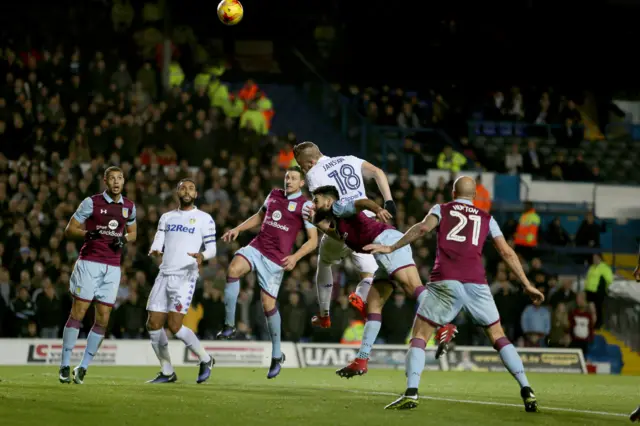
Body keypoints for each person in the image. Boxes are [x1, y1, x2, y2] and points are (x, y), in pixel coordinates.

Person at [365, 176, 544, 412]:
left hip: (445, 281)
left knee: (420, 335)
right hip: (477, 284)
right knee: (499, 336)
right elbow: (507, 252)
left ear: (453, 192)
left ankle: (412, 392)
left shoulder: (441, 209)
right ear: (474, 196)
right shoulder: (487, 218)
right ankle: (527, 389)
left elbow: (422, 228)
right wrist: (527, 283)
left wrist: (392, 246)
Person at [307, 185, 456, 378]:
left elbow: (361, 203)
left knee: (413, 288)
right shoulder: (340, 222)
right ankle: (361, 360)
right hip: (381, 251)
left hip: (387, 242)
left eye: (316, 201)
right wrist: (315, 222)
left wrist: (378, 209)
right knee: (373, 304)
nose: (313, 204)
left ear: (328, 201)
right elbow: (338, 236)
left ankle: (445, 324)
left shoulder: (338, 207)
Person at [217, 166, 318, 379]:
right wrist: (238, 229)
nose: (288, 180)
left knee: (268, 305)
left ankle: (276, 354)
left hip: (275, 261)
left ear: (301, 184)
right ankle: (229, 325)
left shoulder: (306, 205)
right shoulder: (273, 194)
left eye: (293, 178)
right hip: (257, 247)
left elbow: (313, 240)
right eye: (286, 177)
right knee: (233, 269)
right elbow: (259, 216)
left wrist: (295, 257)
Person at [293, 141, 396, 325]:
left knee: (324, 261)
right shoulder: (350, 159)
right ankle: (361, 295)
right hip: (368, 224)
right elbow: (378, 172)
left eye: (302, 166)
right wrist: (388, 201)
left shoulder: (314, 174)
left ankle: (324, 315)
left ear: (308, 163)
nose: (303, 169)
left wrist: (316, 222)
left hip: (342, 228)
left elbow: (324, 207)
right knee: (370, 275)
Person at [59, 166, 137, 384]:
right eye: (112, 178)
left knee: (103, 318)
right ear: (105, 181)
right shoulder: (91, 202)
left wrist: (124, 239)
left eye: (120, 178)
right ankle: (64, 364)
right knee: (79, 312)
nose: (116, 181)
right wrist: (87, 233)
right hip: (89, 264)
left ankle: (82, 367)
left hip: (112, 268)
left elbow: (134, 233)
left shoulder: (129, 207)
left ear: (123, 181)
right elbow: (69, 229)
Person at [145, 178, 217, 384]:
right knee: (153, 323)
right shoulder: (166, 217)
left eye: (191, 188)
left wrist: (203, 256)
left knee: (175, 326)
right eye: (183, 187)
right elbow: (159, 239)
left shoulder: (205, 218)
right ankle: (167, 371)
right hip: (164, 274)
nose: (187, 191)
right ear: (177, 192)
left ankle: (205, 359)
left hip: (185, 276)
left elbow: (212, 248)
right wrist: (155, 248)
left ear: (196, 194)